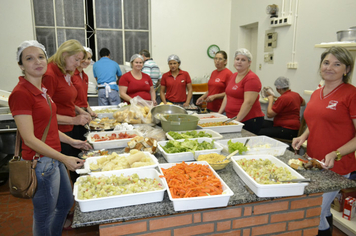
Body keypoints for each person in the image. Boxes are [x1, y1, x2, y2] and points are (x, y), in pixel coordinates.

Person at [9, 40, 91, 236]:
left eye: (40, 57)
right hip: (40, 163)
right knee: (44, 215)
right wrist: (64, 158)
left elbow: (49, 127)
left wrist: (72, 142)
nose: (37, 62)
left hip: (54, 158)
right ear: (21, 65)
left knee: (65, 203)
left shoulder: (42, 92)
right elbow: (29, 139)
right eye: (29, 58)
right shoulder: (20, 93)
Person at [292, 46, 356, 236]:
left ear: (346, 70)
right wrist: (303, 136)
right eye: (326, 63)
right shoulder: (316, 92)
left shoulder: (351, 94)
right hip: (314, 161)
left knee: (315, 212)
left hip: (337, 165)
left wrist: (335, 153)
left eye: (337, 64)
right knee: (324, 210)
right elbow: (317, 121)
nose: (329, 67)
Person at [42, 39, 91, 158]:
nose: (78, 64)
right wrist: (74, 120)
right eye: (76, 59)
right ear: (64, 54)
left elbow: (64, 100)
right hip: (57, 132)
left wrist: (79, 111)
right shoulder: (50, 74)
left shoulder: (65, 72)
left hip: (67, 128)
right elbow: (45, 114)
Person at [218, 48, 264, 134]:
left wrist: (237, 121)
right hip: (232, 118)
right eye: (237, 59)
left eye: (243, 60)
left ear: (249, 63)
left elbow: (248, 103)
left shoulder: (251, 78)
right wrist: (219, 114)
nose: (239, 62)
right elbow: (228, 95)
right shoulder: (234, 75)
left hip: (248, 120)